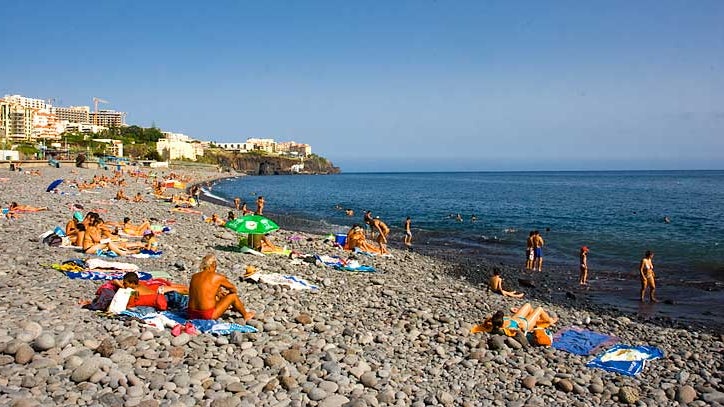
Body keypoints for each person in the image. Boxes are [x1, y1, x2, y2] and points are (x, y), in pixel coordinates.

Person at [188, 253, 255, 321]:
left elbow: (203, 292)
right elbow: (233, 289)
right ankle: (246, 315)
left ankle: (234, 307)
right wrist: (226, 296)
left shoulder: (194, 276)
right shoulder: (217, 277)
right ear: (213, 264)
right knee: (233, 296)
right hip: (207, 315)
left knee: (217, 297)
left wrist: (219, 294)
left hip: (192, 314)